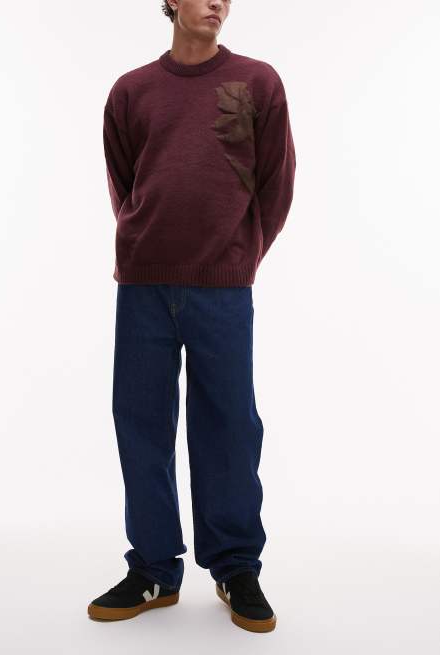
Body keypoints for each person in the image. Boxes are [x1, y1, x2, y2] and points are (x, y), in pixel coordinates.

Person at [88, 0, 296, 633]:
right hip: (143, 287)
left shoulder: (257, 82)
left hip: (223, 288)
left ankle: (236, 568)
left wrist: (240, 257)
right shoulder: (131, 91)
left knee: (229, 426)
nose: (218, 3)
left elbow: (277, 185)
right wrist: (145, 245)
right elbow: (124, 184)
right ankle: (153, 568)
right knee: (141, 426)